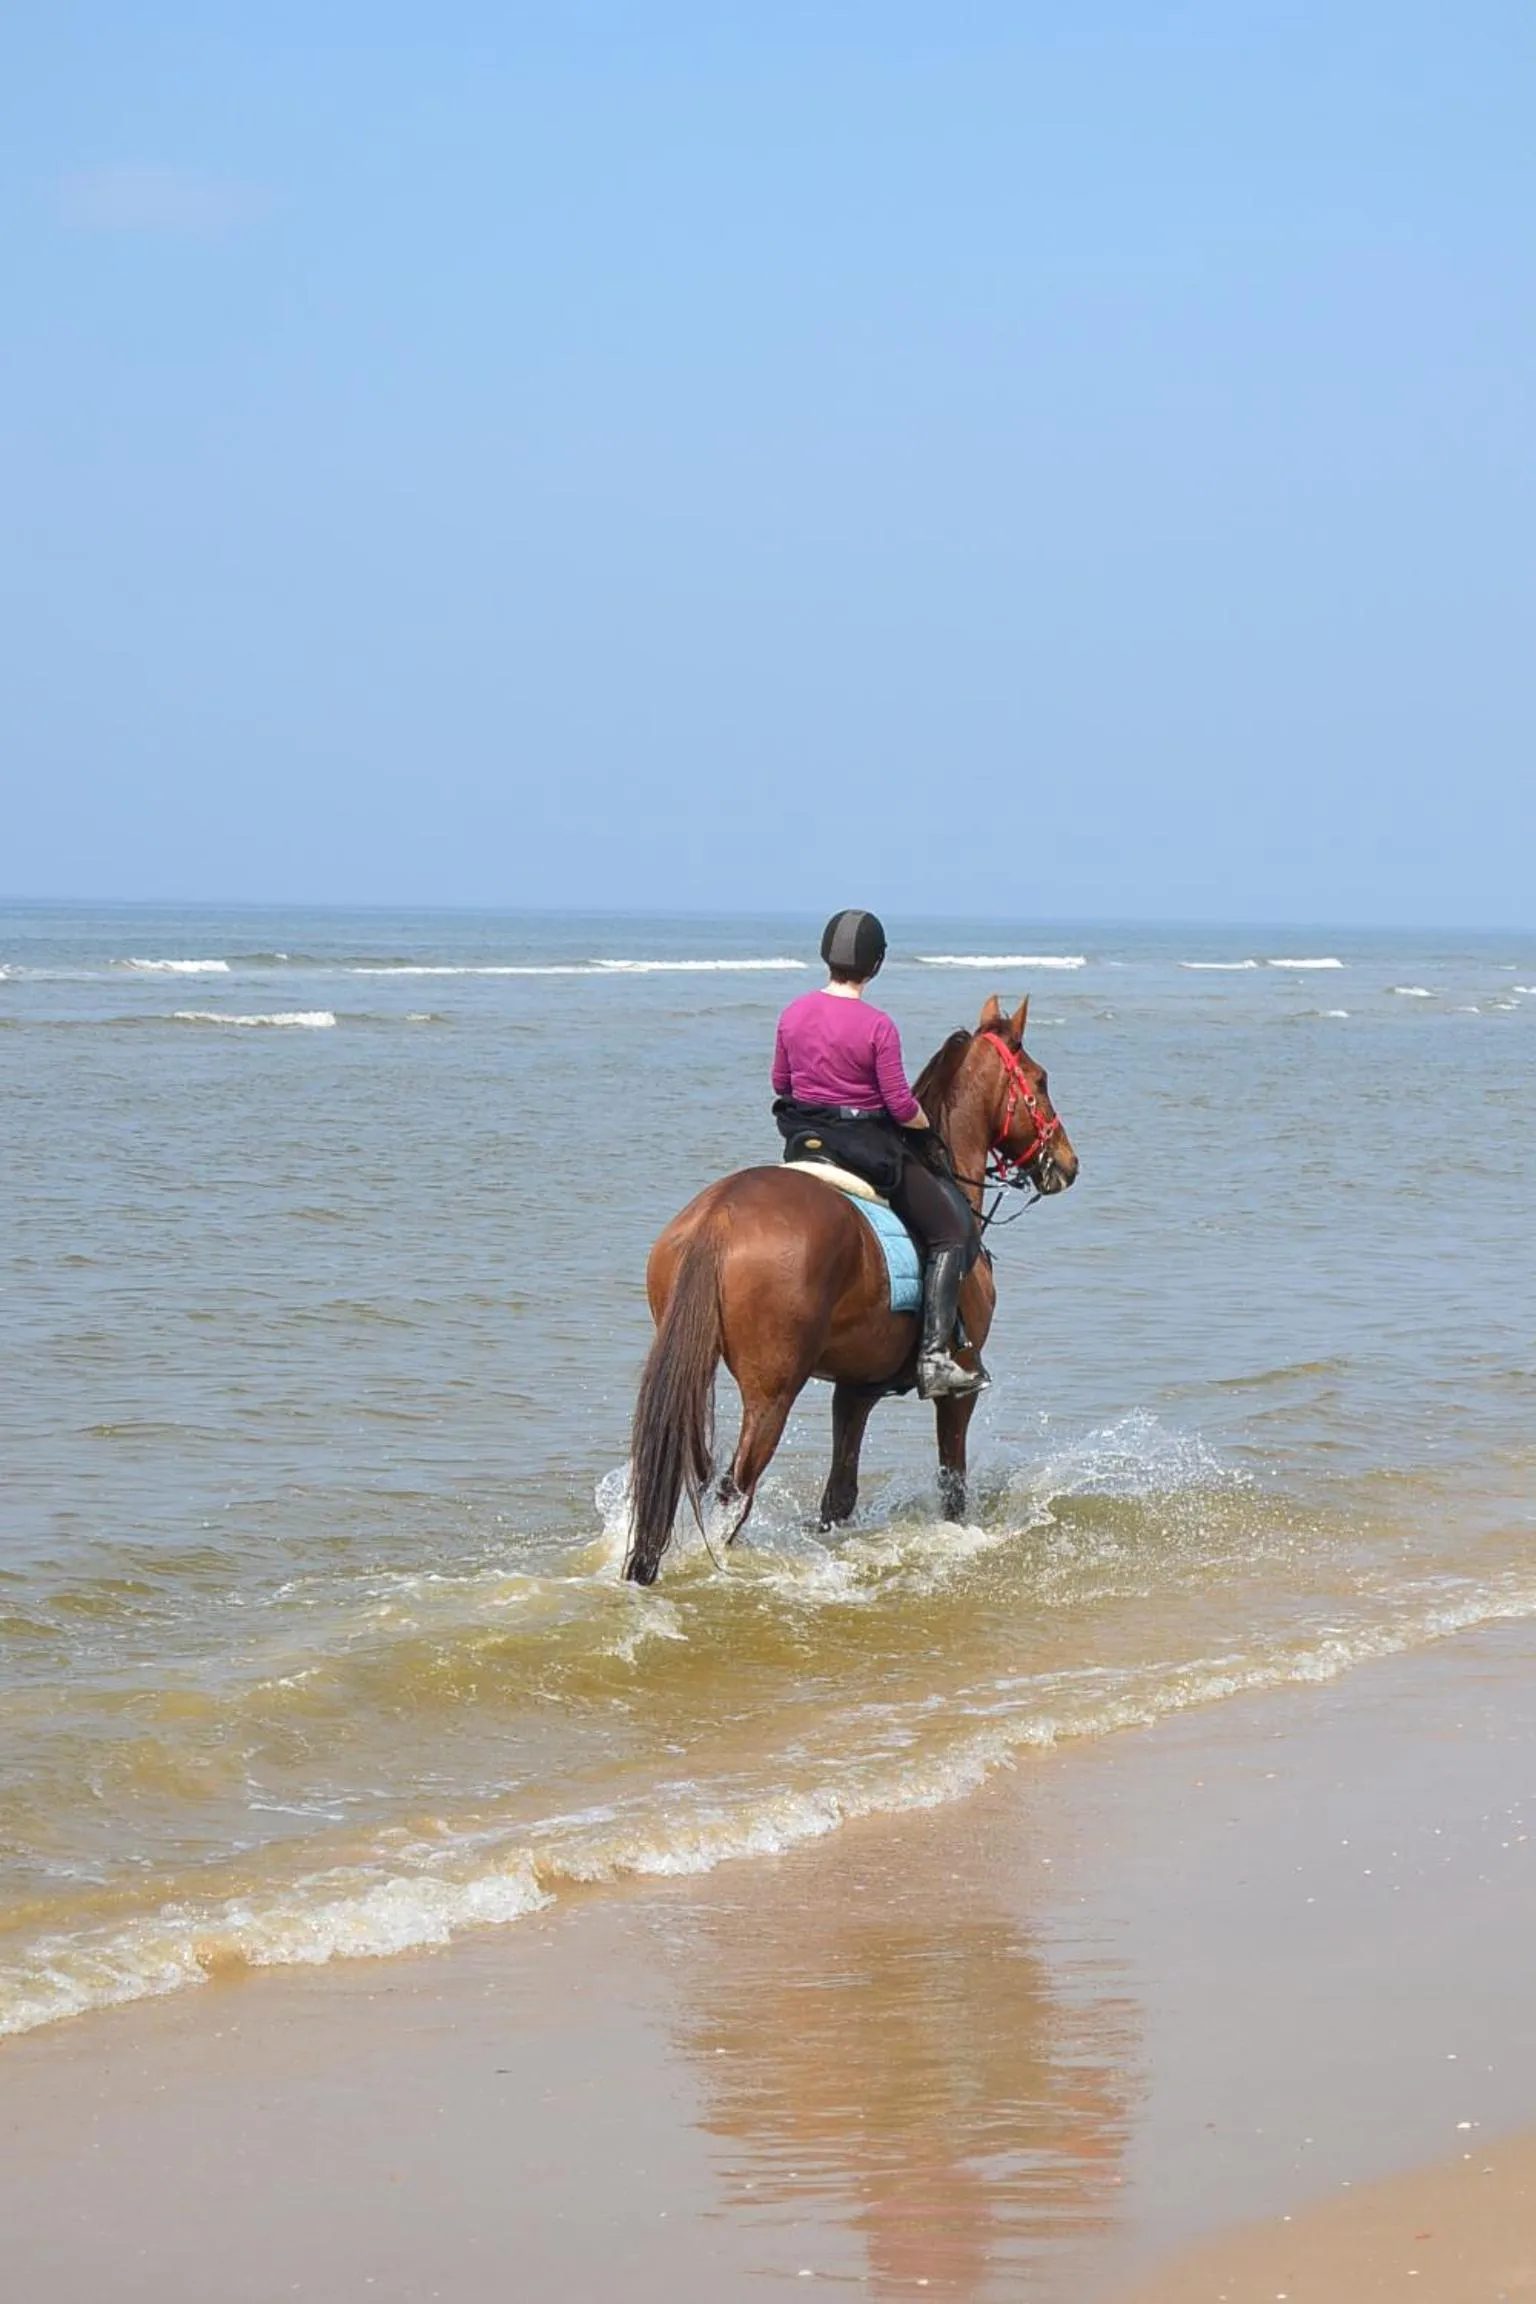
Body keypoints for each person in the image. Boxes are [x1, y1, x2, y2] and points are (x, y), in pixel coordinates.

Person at [772, 909, 985, 1400]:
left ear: (827, 956)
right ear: (876, 965)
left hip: (805, 1143)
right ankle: (934, 1357)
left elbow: (781, 1084)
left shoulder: (793, 1013)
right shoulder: (878, 1026)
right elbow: (897, 1104)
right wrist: (923, 1124)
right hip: (865, 1150)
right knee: (951, 1231)